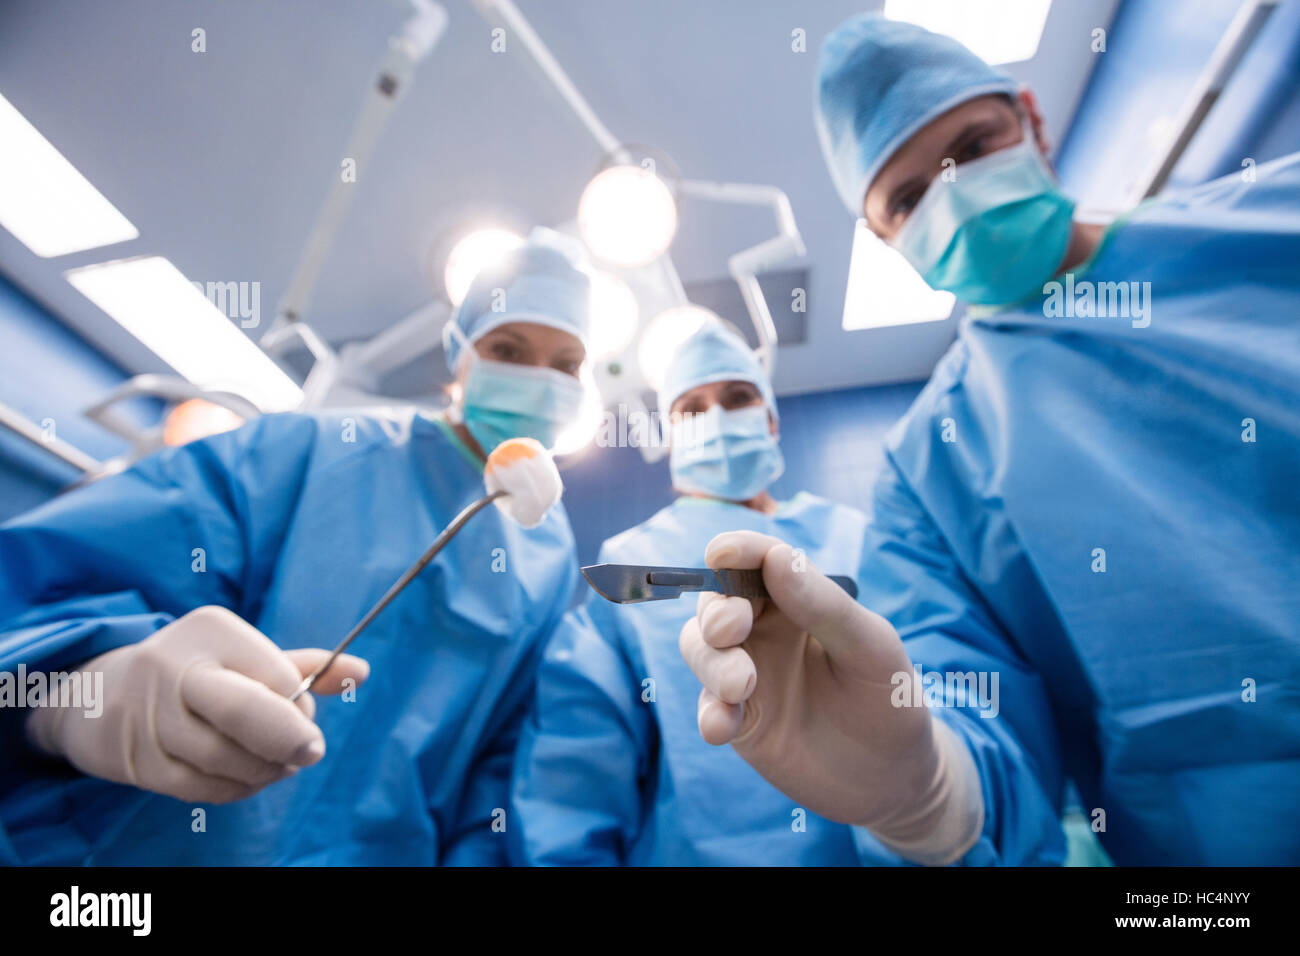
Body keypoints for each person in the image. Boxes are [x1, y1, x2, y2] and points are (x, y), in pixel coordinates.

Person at [678, 13, 1300, 866]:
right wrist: (923, 793)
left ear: (1033, 121)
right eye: (908, 196)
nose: (955, 194)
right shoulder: (931, 471)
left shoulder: (1276, 218)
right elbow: (979, 723)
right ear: (883, 236)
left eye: (972, 147)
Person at [0, 228, 594, 865]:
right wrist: (78, 693)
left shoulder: (549, 557)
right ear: (460, 352)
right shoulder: (320, 454)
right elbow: (60, 577)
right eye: (507, 347)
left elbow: (498, 763)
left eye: (564, 365)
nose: (537, 379)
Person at [510, 322, 865, 865]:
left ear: (770, 420)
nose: (717, 418)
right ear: (671, 438)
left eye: (738, 397)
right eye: (691, 410)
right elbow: (576, 771)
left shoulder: (854, 536)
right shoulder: (630, 567)